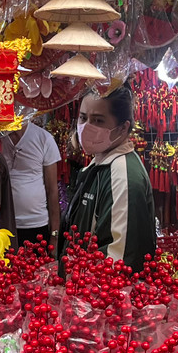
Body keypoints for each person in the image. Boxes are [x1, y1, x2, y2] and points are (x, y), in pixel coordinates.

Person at [64, 84, 156, 270]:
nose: (86, 127)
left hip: (101, 292)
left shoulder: (122, 175)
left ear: (123, 128)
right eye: (83, 118)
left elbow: (119, 259)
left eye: (98, 121)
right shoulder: (98, 165)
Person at [0, 116, 61, 251]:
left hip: (36, 223)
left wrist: (54, 234)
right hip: (4, 223)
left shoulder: (44, 138)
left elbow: (52, 190)